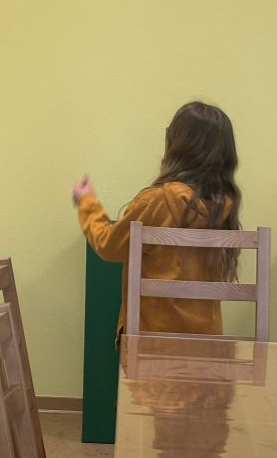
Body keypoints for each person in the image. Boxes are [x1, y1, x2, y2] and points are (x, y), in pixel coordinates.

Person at [72, 101, 242, 337]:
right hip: (207, 340)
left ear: (176, 147)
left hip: (152, 339)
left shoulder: (157, 201)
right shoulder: (223, 207)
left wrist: (87, 202)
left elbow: (108, 246)